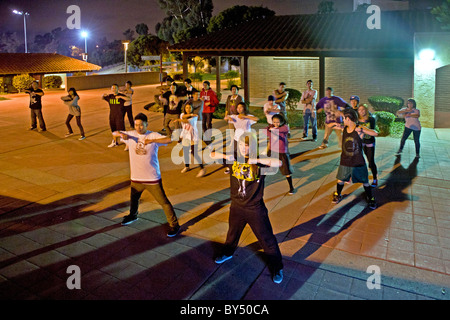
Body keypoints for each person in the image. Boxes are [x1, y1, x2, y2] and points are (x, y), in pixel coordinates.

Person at [211, 134, 284, 284]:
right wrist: (229, 156)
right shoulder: (234, 159)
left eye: (248, 146)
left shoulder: (259, 162)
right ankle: (228, 252)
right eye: (242, 146)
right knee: (232, 233)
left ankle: (277, 267)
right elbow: (211, 154)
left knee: (266, 238)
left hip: (254, 208)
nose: (245, 149)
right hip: (236, 206)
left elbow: (279, 163)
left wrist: (256, 160)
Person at [112, 113, 181, 237]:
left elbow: (169, 139)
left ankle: (174, 225)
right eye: (136, 125)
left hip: (152, 179)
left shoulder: (153, 135)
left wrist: (153, 140)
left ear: (146, 124)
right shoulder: (131, 134)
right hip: (136, 178)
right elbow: (114, 133)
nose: (138, 128)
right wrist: (121, 135)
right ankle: (133, 215)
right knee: (134, 199)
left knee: (164, 202)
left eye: (141, 125)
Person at [332, 109, 378, 209]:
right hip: (345, 160)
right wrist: (335, 124)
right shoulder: (344, 128)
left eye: (344, 118)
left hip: (358, 160)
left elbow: (375, 133)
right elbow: (330, 125)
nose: (343, 120)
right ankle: (338, 194)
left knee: (365, 181)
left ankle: (371, 198)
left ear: (348, 119)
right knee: (340, 179)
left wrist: (362, 129)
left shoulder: (359, 129)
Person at [224, 102, 259, 174]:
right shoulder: (235, 116)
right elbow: (225, 117)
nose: (239, 109)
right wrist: (228, 117)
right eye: (238, 108)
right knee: (233, 152)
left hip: (246, 139)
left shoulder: (248, 117)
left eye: (241, 107)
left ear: (244, 108)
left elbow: (256, 119)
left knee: (246, 154)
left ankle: (249, 168)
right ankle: (230, 167)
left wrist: (245, 117)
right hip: (237, 138)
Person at [264, 113, 295, 195]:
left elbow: (284, 129)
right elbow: (265, 131)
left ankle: (291, 187)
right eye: (274, 122)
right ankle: (259, 184)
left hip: (281, 152)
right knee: (264, 167)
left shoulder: (284, 128)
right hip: (272, 151)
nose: (276, 124)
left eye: (278, 122)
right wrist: (270, 128)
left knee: (286, 170)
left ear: (281, 121)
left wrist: (273, 130)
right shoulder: (271, 127)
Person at [177, 103, 206, 177]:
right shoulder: (183, 115)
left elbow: (187, 121)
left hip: (193, 137)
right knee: (186, 152)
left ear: (192, 109)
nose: (188, 109)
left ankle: (202, 168)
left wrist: (178, 119)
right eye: (186, 108)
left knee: (194, 153)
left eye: (190, 108)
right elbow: (183, 117)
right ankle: (187, 166)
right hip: (186, 136)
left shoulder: (195, 116)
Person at [357, 104, 378, 187]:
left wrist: (363, 129)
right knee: (360, 160)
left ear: (366, 110)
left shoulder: (371, 119)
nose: (361, 111)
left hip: (369, 142)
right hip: (361, 142)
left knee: (371, 161)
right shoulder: (357, 120)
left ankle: (375, 179)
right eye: (360, 110)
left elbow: (372, 131)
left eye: (363, 109)